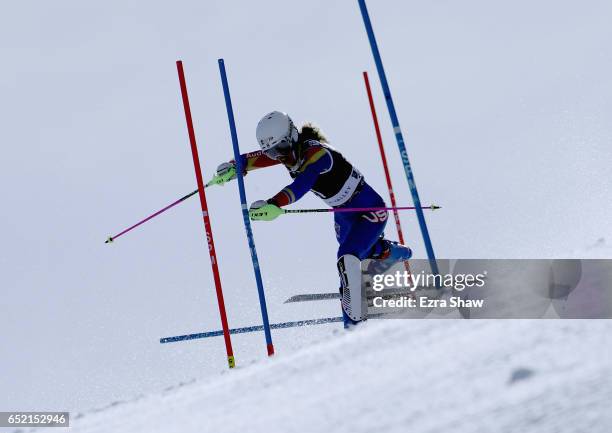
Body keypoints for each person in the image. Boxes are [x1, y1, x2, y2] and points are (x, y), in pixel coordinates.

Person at [215, 111, 412, 326]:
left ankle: (355, 324)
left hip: (370, 209)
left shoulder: (316, 154)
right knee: (355, 257)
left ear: (292, 137)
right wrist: (235, 166)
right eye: (272, 153)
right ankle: (391, 251)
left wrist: (274, 203)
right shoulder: (286, 152)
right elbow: (256, 159)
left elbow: (302, 184)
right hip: (343, 215)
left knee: (347, 257)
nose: (279, 157)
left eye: (280, 149)